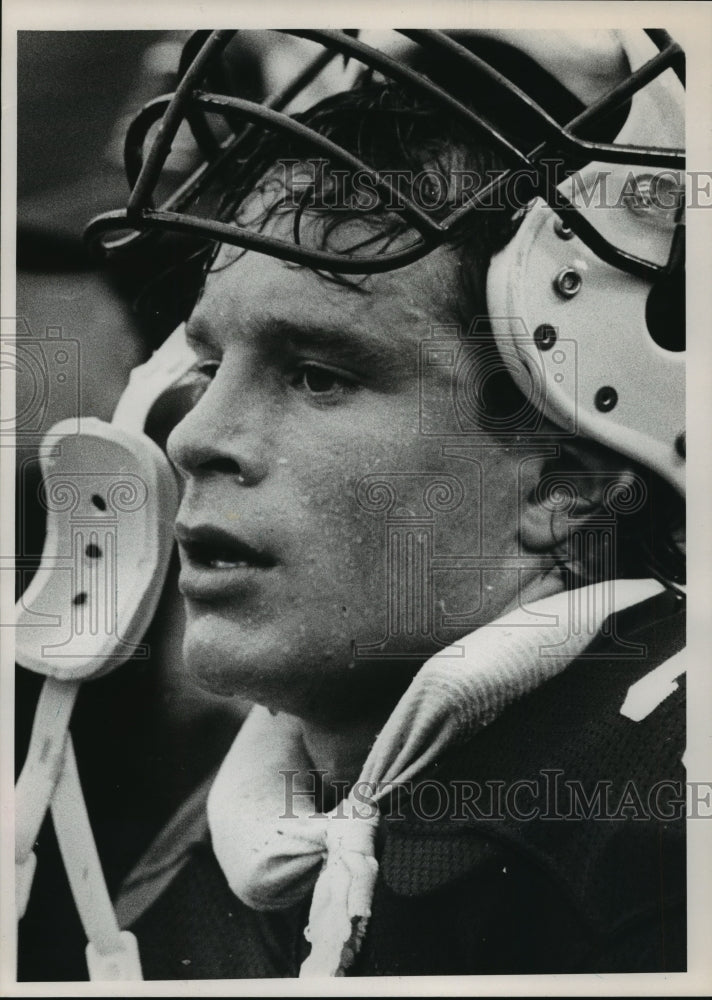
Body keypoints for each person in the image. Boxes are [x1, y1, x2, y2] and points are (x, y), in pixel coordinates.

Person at [71, 28, 691, 978]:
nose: (195, 436)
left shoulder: (660, 849)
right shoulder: (224, 851)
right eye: (206, 364)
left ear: (568, 481)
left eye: (317, 375)